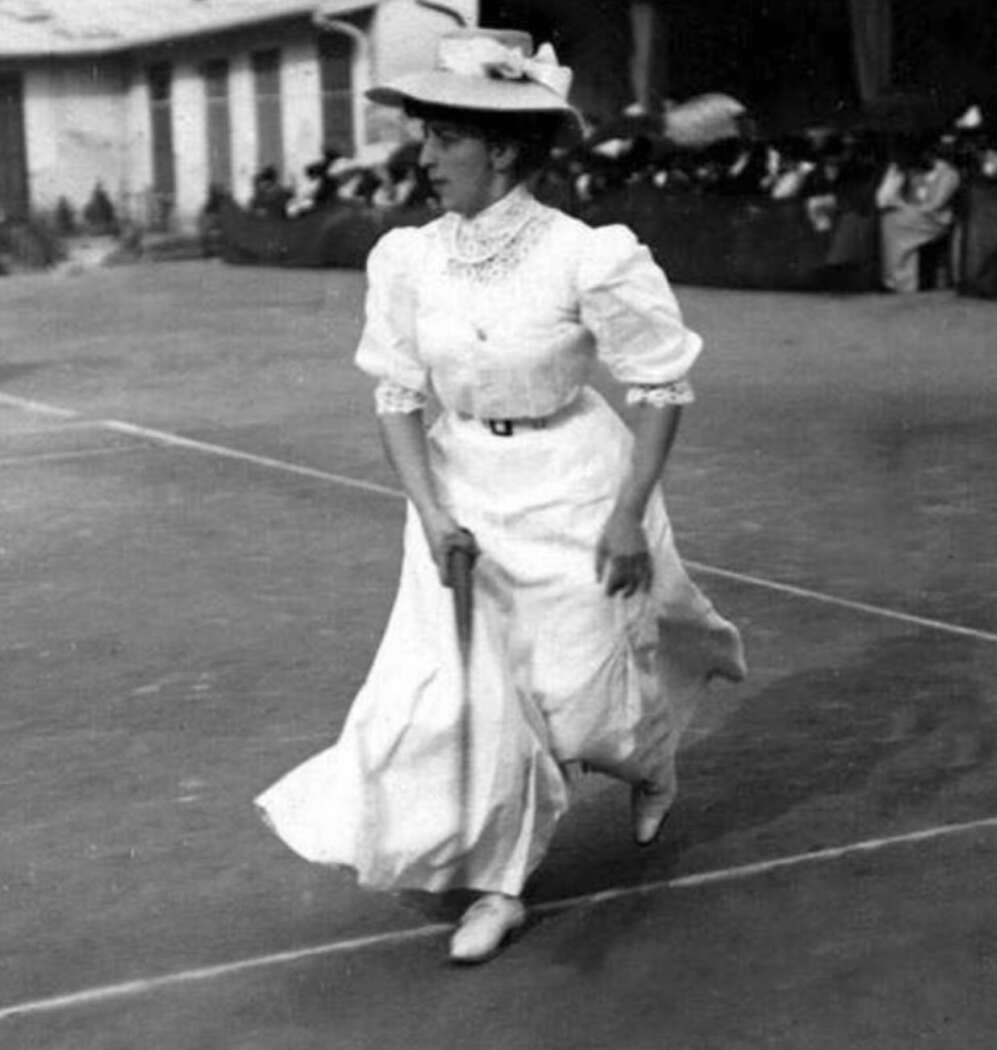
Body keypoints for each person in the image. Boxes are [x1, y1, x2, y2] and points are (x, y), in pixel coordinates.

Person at [255, 27, 746, 966]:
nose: (425, 157)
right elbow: (398, 397)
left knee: (573, 700)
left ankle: (649, 760)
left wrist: (625, 516)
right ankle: (501, 885)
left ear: (505, 149)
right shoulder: (405, 259)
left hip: (574, 485)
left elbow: (660, 388)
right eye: (425, 136)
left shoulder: (587, 255)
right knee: (467, 702)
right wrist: (434, 512)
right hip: (458, 491)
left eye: (444, 139)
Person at [875, 133, 961, 292]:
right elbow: (882, 199)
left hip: (936, 220)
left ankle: (900, 280)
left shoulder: (948, 174)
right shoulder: (905, 170)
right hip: (913, 215)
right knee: (889, 220)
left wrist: (905, 207)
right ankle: (900, 280)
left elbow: (935, 205)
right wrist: (895, 175)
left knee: (893, 222)